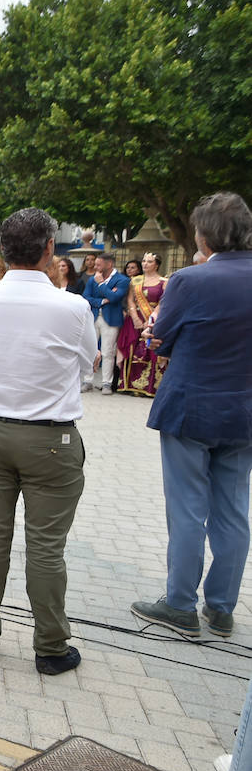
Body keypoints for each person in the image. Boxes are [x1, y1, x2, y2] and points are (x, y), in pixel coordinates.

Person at [0, 208, 93, 675]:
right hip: (50, 437)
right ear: (49, 249)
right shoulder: (73, 307)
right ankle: (51, 646)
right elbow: (88, 368)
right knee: (46, 548)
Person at [132, 192, 252, 640]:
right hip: (242, 408)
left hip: (191, 405)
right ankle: (221, 607)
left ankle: (180, 603)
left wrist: (155, 335)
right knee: (234, 510)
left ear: (203, 235)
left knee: (187, 509)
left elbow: (159, 336)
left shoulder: (189, 280)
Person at [116, 253, 167, 397]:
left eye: (149, 261)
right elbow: (131, 300)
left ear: (156, 264)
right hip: (135, 318)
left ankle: (150, 386)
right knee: (132, 348)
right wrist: (134, 317)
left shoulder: (164, 281)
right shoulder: (136, 280)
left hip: (154, 319)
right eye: (144, 261)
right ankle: (129, 384)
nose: (145, 264)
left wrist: (152, 318)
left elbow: (164, 302)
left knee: (151, 350)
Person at [82, 252, 130, 395]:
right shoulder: (93, 279)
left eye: (98, 264)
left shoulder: (122, 280)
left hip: (111, 319)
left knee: (108, 351)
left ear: (109, 264)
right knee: (90, 349)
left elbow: (115, 298)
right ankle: (87, 380)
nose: (95, 266)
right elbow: (86, 297)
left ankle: (106, 383)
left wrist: (102, 285)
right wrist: (103, 300)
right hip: (94, 317)